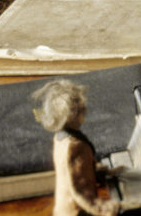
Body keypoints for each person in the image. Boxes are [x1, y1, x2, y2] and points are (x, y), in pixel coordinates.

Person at [31, 80, 120, 216]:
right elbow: (79, 191)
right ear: (75, 114)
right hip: (76, 211)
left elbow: (74, 173)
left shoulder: (60, 138)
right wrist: (106, 209)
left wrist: (102, 173)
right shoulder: (75, 146)